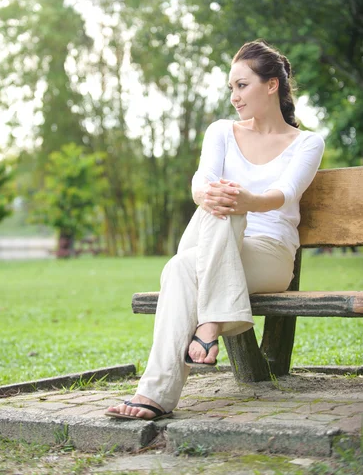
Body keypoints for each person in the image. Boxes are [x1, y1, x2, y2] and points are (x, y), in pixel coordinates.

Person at [106, 40, 325, 421]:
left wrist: (246, 201)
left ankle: (172, 372)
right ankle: (172, 372)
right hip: (215, 242)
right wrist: (217, 196)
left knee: (182, 264)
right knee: (212, 210)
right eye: (231, 88)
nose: (234, 97)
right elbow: (200, 183)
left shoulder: (306, 142)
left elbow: (285, 194)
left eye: (242, 86)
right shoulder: (222, 132)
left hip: (269, 254)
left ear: (271, 85)